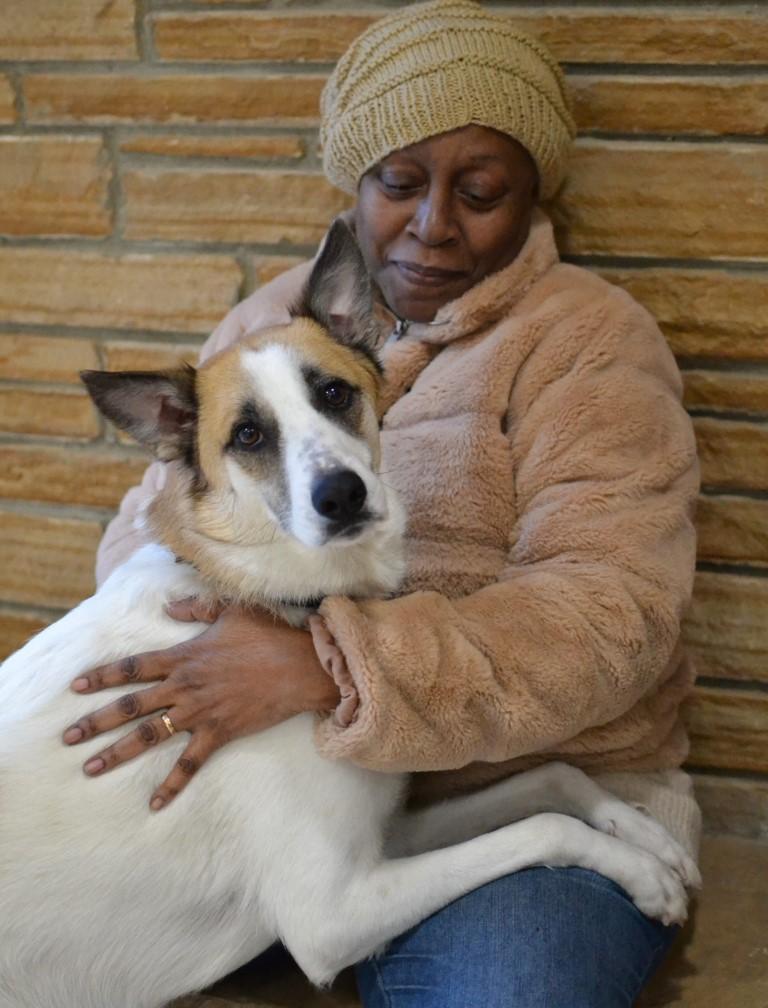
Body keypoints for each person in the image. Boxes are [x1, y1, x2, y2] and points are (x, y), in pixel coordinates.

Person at [66, 1, 702, 1004]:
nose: (433, 222)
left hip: (505, 786)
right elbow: (147, 525)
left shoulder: (589, 341)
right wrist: (212, 635)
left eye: (482, 190)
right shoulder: (268, 325)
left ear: (535, 195)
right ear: (354, 186)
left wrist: (326, 665)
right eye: (399, 183)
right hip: (288, 780)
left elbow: (615, 615)